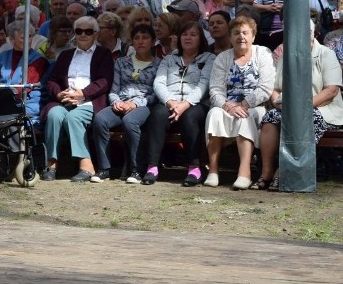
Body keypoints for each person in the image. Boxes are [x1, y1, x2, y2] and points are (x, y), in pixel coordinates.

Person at [254, 20, 343, 190]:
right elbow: (275, 88)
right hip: (288, 108)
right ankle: (266, 172)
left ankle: (283, 172)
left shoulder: (326, 54)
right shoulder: (286, 55)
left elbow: (331, 90)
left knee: (307, 118)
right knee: (270, 117)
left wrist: (301, 108)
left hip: (324, 108)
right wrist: (276, 102)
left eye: (305, 32)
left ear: (313, 34)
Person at [205, 16, 275, 189]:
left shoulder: (263, 53)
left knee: (245, 116)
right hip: (228, 106)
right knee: (214, 113)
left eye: (245, 33)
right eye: (236, 33)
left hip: (255, 107)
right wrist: (228, 105)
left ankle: (244, 172)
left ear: (253, 36)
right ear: (230, 37)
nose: (241, 37)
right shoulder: (223, 57)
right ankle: (213, 170)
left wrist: (243, 104)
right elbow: (215, 89)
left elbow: (266, 87)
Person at [41, 16, 114, 182]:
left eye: (88, 31)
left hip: (89, 102)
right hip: (65, 100)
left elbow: (104, 82)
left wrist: (82, 93)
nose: (83, 35)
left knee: (73, 118)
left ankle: (86, 165)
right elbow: (51, 80)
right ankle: (52, 163)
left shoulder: (103, 54)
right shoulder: (66, 55)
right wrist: (59, 93)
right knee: (54, 115)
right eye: (79, 31)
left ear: (95, 34)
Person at [145, 22, 214, 186]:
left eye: (193, 34)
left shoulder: (209, 58)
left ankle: (194, 168)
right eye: (185, 34)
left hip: (195, 103)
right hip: (171, 100)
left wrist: (185, 104)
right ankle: (152, 167)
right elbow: (159, 83)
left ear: (201, 39)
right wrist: (171, 102)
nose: (188, 38)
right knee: (157, 113)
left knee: (189, 117)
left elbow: (204, 85)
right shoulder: (169, 59)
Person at [91, 24, 161, 184]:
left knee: (130, 121)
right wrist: (116, 102)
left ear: (153, 41)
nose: (140, 42)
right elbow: (114, 88)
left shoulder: (159, 64)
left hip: (144, 105)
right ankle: (104, 168)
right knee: (100, 119)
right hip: (121, 102)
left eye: (145, 38)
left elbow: (155, 92)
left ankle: (137, 170)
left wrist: (135, 104)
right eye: (137, 38)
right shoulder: (122, 62)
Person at [0, 20, 48, 129]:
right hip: (4, 102)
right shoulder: (2, 57)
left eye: (30, 36)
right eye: (23, 38)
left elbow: (25, 88)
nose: (29, 40)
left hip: (27, 102)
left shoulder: (38, 60)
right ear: (12, 40)